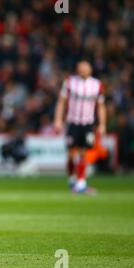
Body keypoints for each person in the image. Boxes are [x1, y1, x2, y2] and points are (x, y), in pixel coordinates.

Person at [54, 60, 107, 194]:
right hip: (73, 122)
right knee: (71, 154)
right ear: (77, 69)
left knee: (84, 152)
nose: (83, 70)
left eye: (85, 68)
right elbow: (61, 101)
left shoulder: (96, 85)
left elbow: (100, 106)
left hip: (88, 123)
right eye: (80, 68)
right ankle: (72, 179)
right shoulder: (69, 82)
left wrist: (102, 124)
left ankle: (81, 183)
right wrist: (58, 120)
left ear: (90, 70)